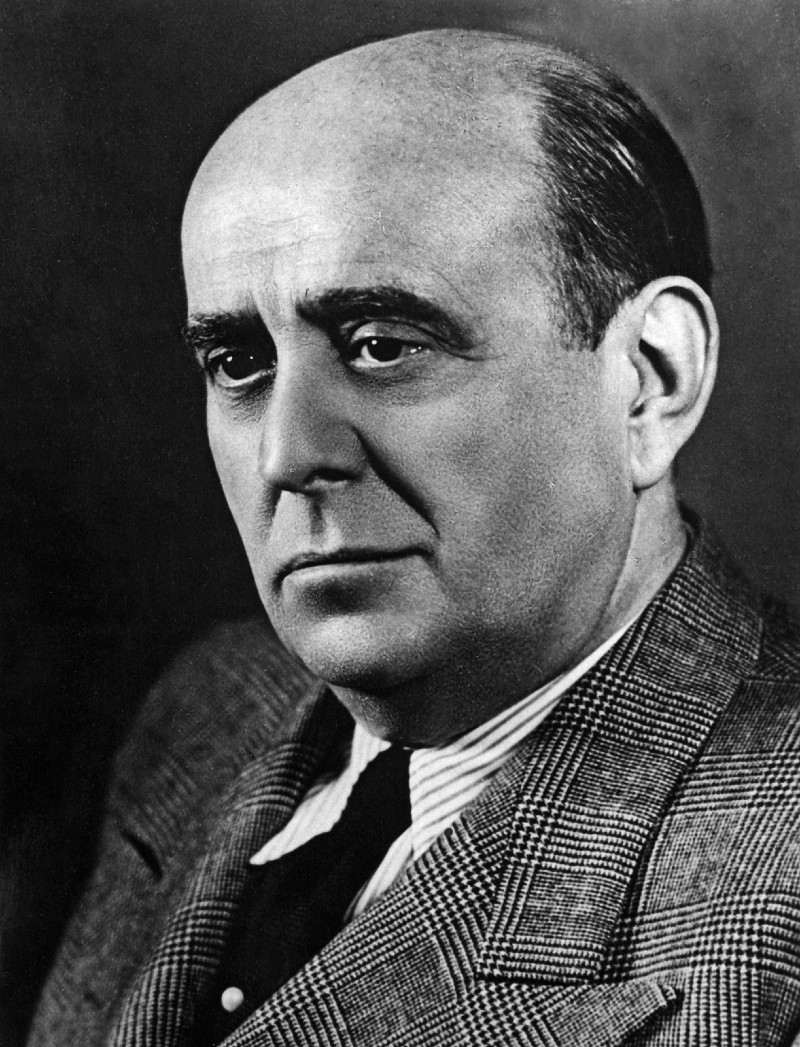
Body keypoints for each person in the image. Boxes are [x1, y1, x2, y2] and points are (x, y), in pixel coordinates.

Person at [28, 28, 800, 1047]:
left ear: (651, 380)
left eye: (382, 346)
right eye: (237, 363)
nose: (287, 456)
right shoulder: (212, 707)